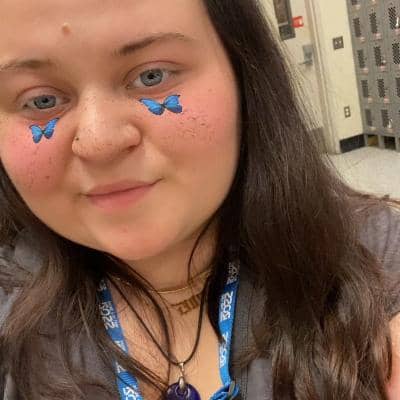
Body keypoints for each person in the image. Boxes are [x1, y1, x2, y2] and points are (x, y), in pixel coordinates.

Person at [0, 1, 399, 399]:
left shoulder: (374, 263)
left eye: (152, 75)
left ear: (243, 74)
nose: (99, 143)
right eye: (41, 101)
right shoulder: (13, 313)